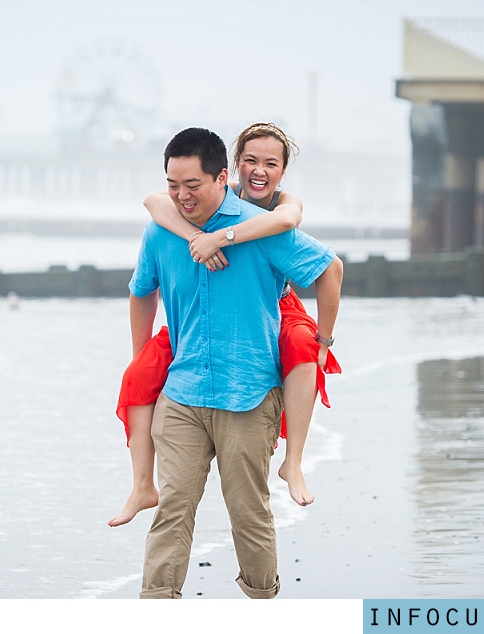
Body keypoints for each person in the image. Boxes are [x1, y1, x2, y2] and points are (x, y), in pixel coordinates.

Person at [128, 127, 341, 599]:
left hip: (248, 396)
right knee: (173, 510)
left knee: (249, 513)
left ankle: (262, 602)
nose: (182, 196)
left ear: (223, 177)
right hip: (182, 396)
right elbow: (142, 291)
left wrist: (324, 340)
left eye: (193, 186)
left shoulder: (261, 228)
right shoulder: (161, 230)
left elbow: (330, 269)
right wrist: (142, 358)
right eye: (174, 186)